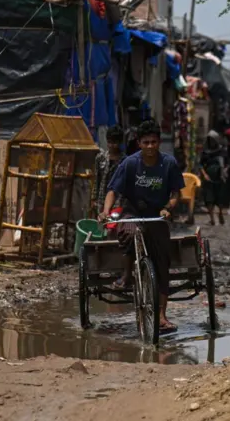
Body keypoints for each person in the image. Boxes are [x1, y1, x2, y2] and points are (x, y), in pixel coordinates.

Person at [98, 119, 185, 332]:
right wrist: (106, 211)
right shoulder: (129, 164)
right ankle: (128, 274)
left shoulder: (169, 163)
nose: (149, 146)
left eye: (153, 142)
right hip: (133, 213)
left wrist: (168, 208)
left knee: (163, 263)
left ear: (159, 143)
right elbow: (112, 191)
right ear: (139, 143)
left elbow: (176, 193)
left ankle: (162, 316)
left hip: (157, 216)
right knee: (128, 230)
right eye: (145, 142)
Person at [92, 125, 126, 219]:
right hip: (101, 199)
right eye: (109, 142)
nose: (111, 145)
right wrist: (93, 198)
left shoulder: (124, 161)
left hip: (117, 201)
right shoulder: (100, 158)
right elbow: (96, 179)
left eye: (114, 142)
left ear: (120, 142)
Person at [200, 131, 230, 225]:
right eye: (210, 140)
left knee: (220, 197)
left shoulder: (222, 151)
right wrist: (204, 174)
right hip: (209, 178)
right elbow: (201, 165)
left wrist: (225, 170)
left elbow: (228, 162)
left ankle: (220, 213)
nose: (212, 142)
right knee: (209, 198)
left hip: (220, 177)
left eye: (213, 140)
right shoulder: (205, 152)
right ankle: (212, 218)